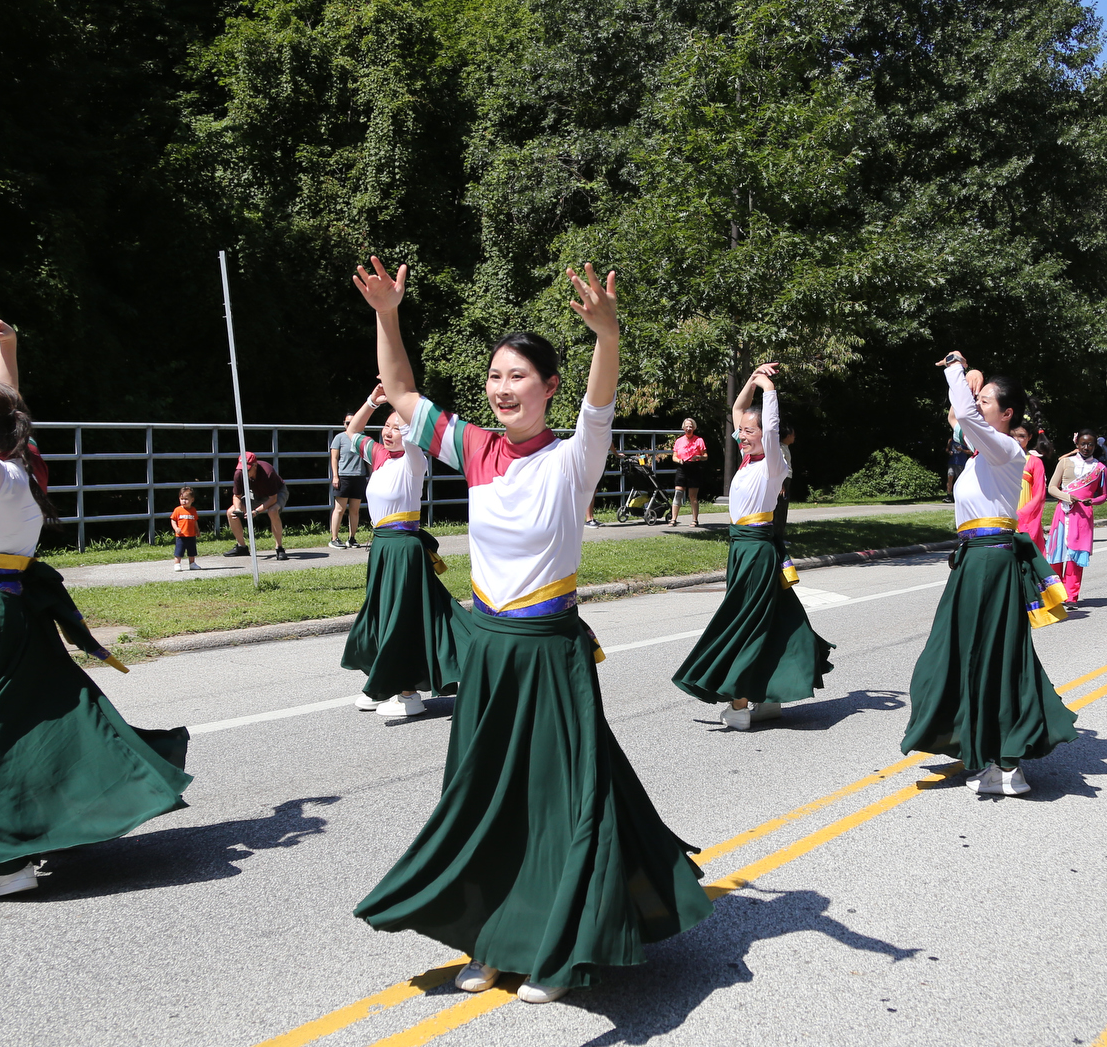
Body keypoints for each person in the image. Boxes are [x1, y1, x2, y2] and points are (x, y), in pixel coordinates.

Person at [350, 257, 710, 1005]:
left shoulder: (574, 457)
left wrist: (606, 335)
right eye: (494, 376)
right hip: (487, 654)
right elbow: (407, 396)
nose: (503, 388)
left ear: (549, 388)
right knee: (484, 804)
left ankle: (552, 946)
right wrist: (388, 315)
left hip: (549, 656)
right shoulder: (477, 449)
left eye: (518, 377)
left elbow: (600, 401)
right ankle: (490, 938)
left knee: (555, 808)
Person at [0, 298, 191, 899]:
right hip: (5, 607)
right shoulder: (14, 466)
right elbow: (2, 408)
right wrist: (8, 348)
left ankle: (6, 858)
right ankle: (35, 834)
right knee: (15, 723)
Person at [900, 353, 1074, 795]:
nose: (976, 406)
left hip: (991, 564)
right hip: (973, 562)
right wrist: (965, 382)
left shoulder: (1006, 449)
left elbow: (967, 415)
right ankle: (989, 752)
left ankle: (1006, 762)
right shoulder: (981, 452)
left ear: (1007, 412)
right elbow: (959, 416)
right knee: (959, 655)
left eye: (986, 401)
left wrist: (957, 368)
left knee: (993, 657)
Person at [672, 364, 834, 729]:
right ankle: (768, 699)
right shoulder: (749, 459)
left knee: (746, 623)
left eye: (749, 431)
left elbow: (771, 427)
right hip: (742, 550)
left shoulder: (773, 464)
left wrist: (769, 391)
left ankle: (740, 703)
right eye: (741, 431)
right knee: (773, 620)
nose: (741, 435)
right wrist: (750, 381)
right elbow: (736, 411)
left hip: (757, 550)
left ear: (766, 435)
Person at [338, 384, 468, 718]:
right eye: (387, 426)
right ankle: (384, 681)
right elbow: (351, 432)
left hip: (404, 549)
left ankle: (407, 694)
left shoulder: (414, 460)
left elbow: (412, 436)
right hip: (382, 547)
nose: (389, 432)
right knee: (382, 616)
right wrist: (372, 401)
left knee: (402, 620)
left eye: (397, 427)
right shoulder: (380, 457)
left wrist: (400, 400)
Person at [1044, 430, 1105, 606]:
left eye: (1090, 444)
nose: (1086, 447)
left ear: (1095, 446)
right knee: (1056, 554)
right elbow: (1052, 488)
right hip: (1062, 513)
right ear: (1077, 444)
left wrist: (1091, 501)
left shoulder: (1099, 468)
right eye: (1083, 444)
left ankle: (1071, 595)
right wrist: (1067, 497)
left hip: (1083, 516)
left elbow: (1103, 496)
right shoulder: (1065, 462)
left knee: (1075, 557)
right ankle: (1055, 594)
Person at [226, 451, 288, 559]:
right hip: (255, 493)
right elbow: (237, 496)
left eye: (247, 469)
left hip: (276, 493)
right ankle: (242, 547)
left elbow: (273, 499)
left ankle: (279, 548)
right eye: (242, 469)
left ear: (255, 465)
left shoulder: (268, 472)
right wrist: (238, 509)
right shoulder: (239, 473)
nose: (244, 472)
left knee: (273, 511)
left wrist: (256, 512)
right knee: (231, 512)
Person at [328, 416, 371, 549]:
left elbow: (368, 458)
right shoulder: (339, 438)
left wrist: (372, 475)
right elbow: (334, 458)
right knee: (339, 509)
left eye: (353, 422)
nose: (350, 424)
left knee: (355, 510)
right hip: (344, 476)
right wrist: (335, 476)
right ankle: (334, 538)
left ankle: (352, 538)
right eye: (348, 422)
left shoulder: (362, 438)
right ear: (344, 424)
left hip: (359, 476)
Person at [1011, 421, 1047, 546]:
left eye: (1022, 436)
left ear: (1030, 437)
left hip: (1023, 517)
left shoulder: (1034, 462)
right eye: (1012, 436)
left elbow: (1040, 494)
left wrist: (1021, 514)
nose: (1017, 440)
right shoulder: (1000, 460)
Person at [670, 418, 709, 527]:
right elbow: (674, 456)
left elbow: (705, 456)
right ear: (683, 428)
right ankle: (673, 519)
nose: (688, 428)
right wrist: (679, 460)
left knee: (693, 496)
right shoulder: (679, 441)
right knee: (678, 494)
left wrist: (699, 457)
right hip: (682, 467)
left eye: (690, 426)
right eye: (686, 426)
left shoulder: (699, 440)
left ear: (694, 428)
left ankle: (695, 520)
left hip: (694, 467)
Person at [171, 486, 203, 571]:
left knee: (192, 551)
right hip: (181, 535)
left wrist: (197, 530)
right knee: (179, 551)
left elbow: (195, 520)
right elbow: (173, 520)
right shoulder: (177, 510)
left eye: (186, 499)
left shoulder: (193, 510)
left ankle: (192, 563)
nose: (183, 501)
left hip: (191, 535)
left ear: (192, 500)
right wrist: (176, 528)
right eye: (182, 499)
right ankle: (177, 564)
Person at [944, 415, 970, 496]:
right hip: (952, 462)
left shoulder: (965, 440)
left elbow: (972, 452)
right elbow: (947, 449)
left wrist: (962, 450)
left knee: (960, 480)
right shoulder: (951, 440)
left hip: (961, 463)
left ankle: (959, 495)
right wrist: (949, 452)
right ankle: (948, 495)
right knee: (950, 477)